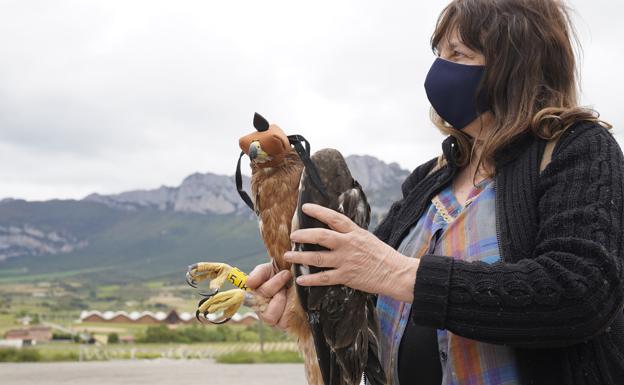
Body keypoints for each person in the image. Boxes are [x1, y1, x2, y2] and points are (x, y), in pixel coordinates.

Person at [246, 0, 624, 384]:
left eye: (457, 53)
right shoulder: (432, 178)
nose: (438, 69)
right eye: (438, 53)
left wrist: (398, 273)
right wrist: (299, 294)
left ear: (515, 64)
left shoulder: (578, 149)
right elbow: (360, 289)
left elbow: (582, 292)